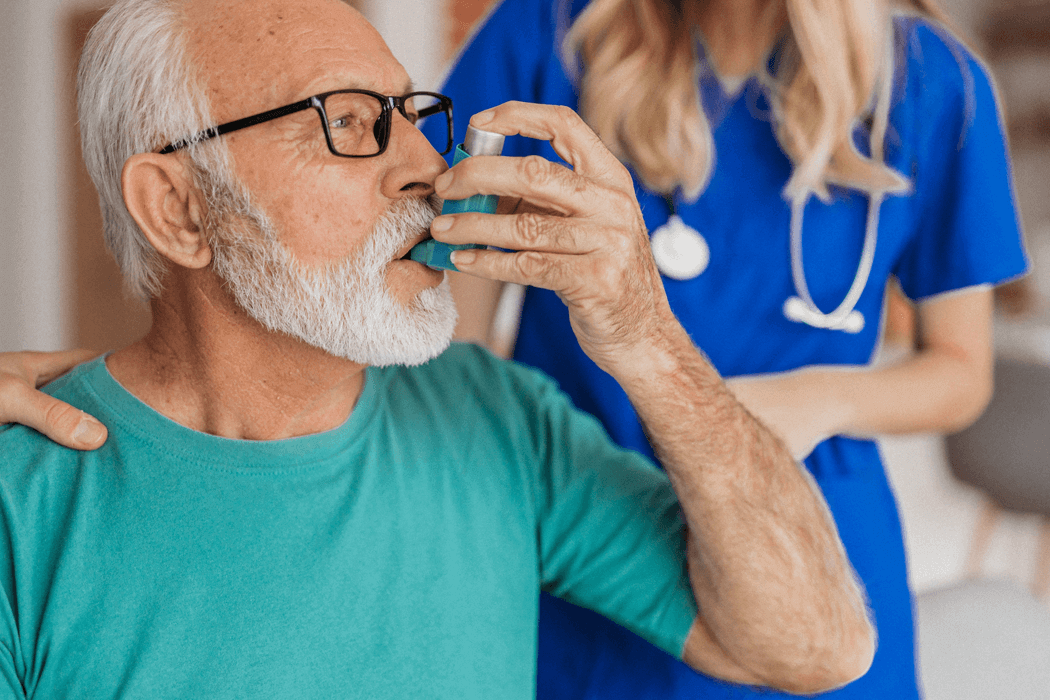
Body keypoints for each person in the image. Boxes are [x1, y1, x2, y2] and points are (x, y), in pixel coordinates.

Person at [0, 0, 875, 697]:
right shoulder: (21, 502)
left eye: (413, 114)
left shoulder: (497, 416)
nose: (427, 166)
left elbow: (819, 648)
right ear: (179, 210)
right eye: (347, 121)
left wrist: (647, 339)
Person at [414, 0, 1030, 698]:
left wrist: (807, 400)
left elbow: (960, 374)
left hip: (805, 545)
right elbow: (446, 346)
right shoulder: (543, 36)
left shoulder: (932, 83)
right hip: (585, 539)